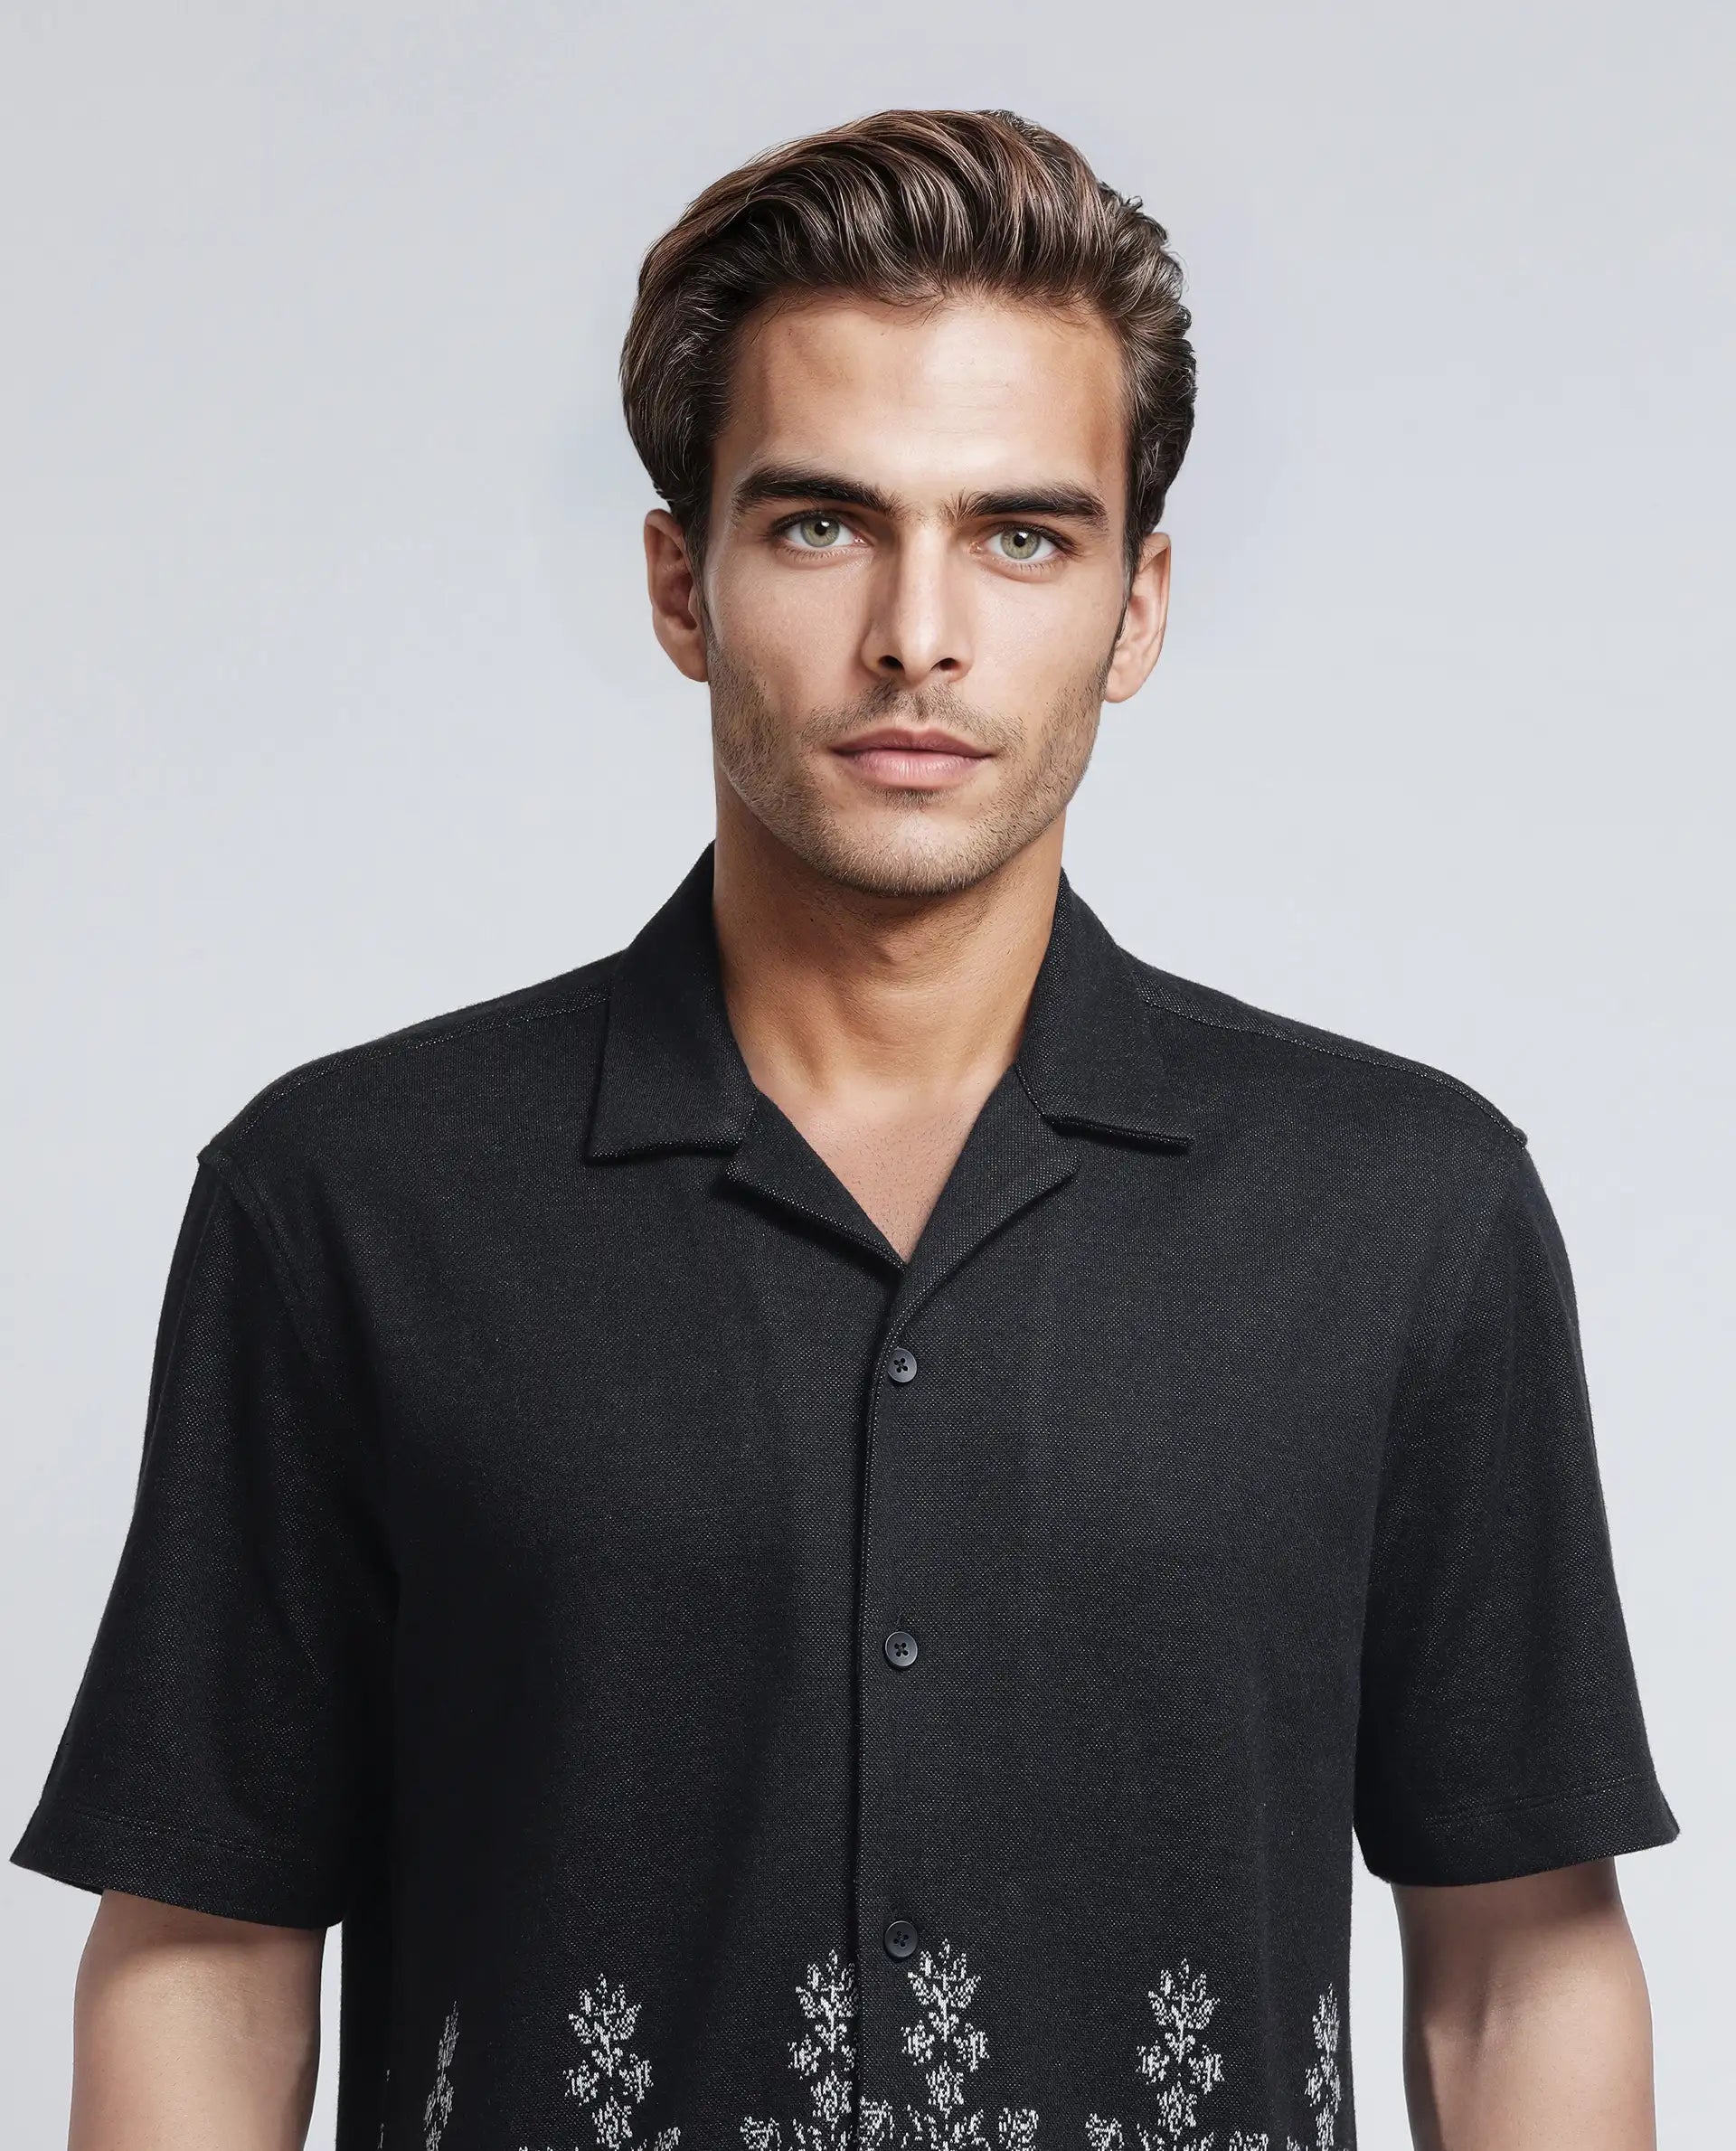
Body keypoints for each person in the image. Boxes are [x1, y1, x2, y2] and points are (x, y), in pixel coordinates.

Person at [14, 107, 1679, 2150]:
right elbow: (206, 1948)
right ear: (681, 582)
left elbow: (1520, 1964)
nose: (918, 632)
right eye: (820, 525)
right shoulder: (350, 1202)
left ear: (1136, 606)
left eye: (1021, 534)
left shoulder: (1402, 1210)